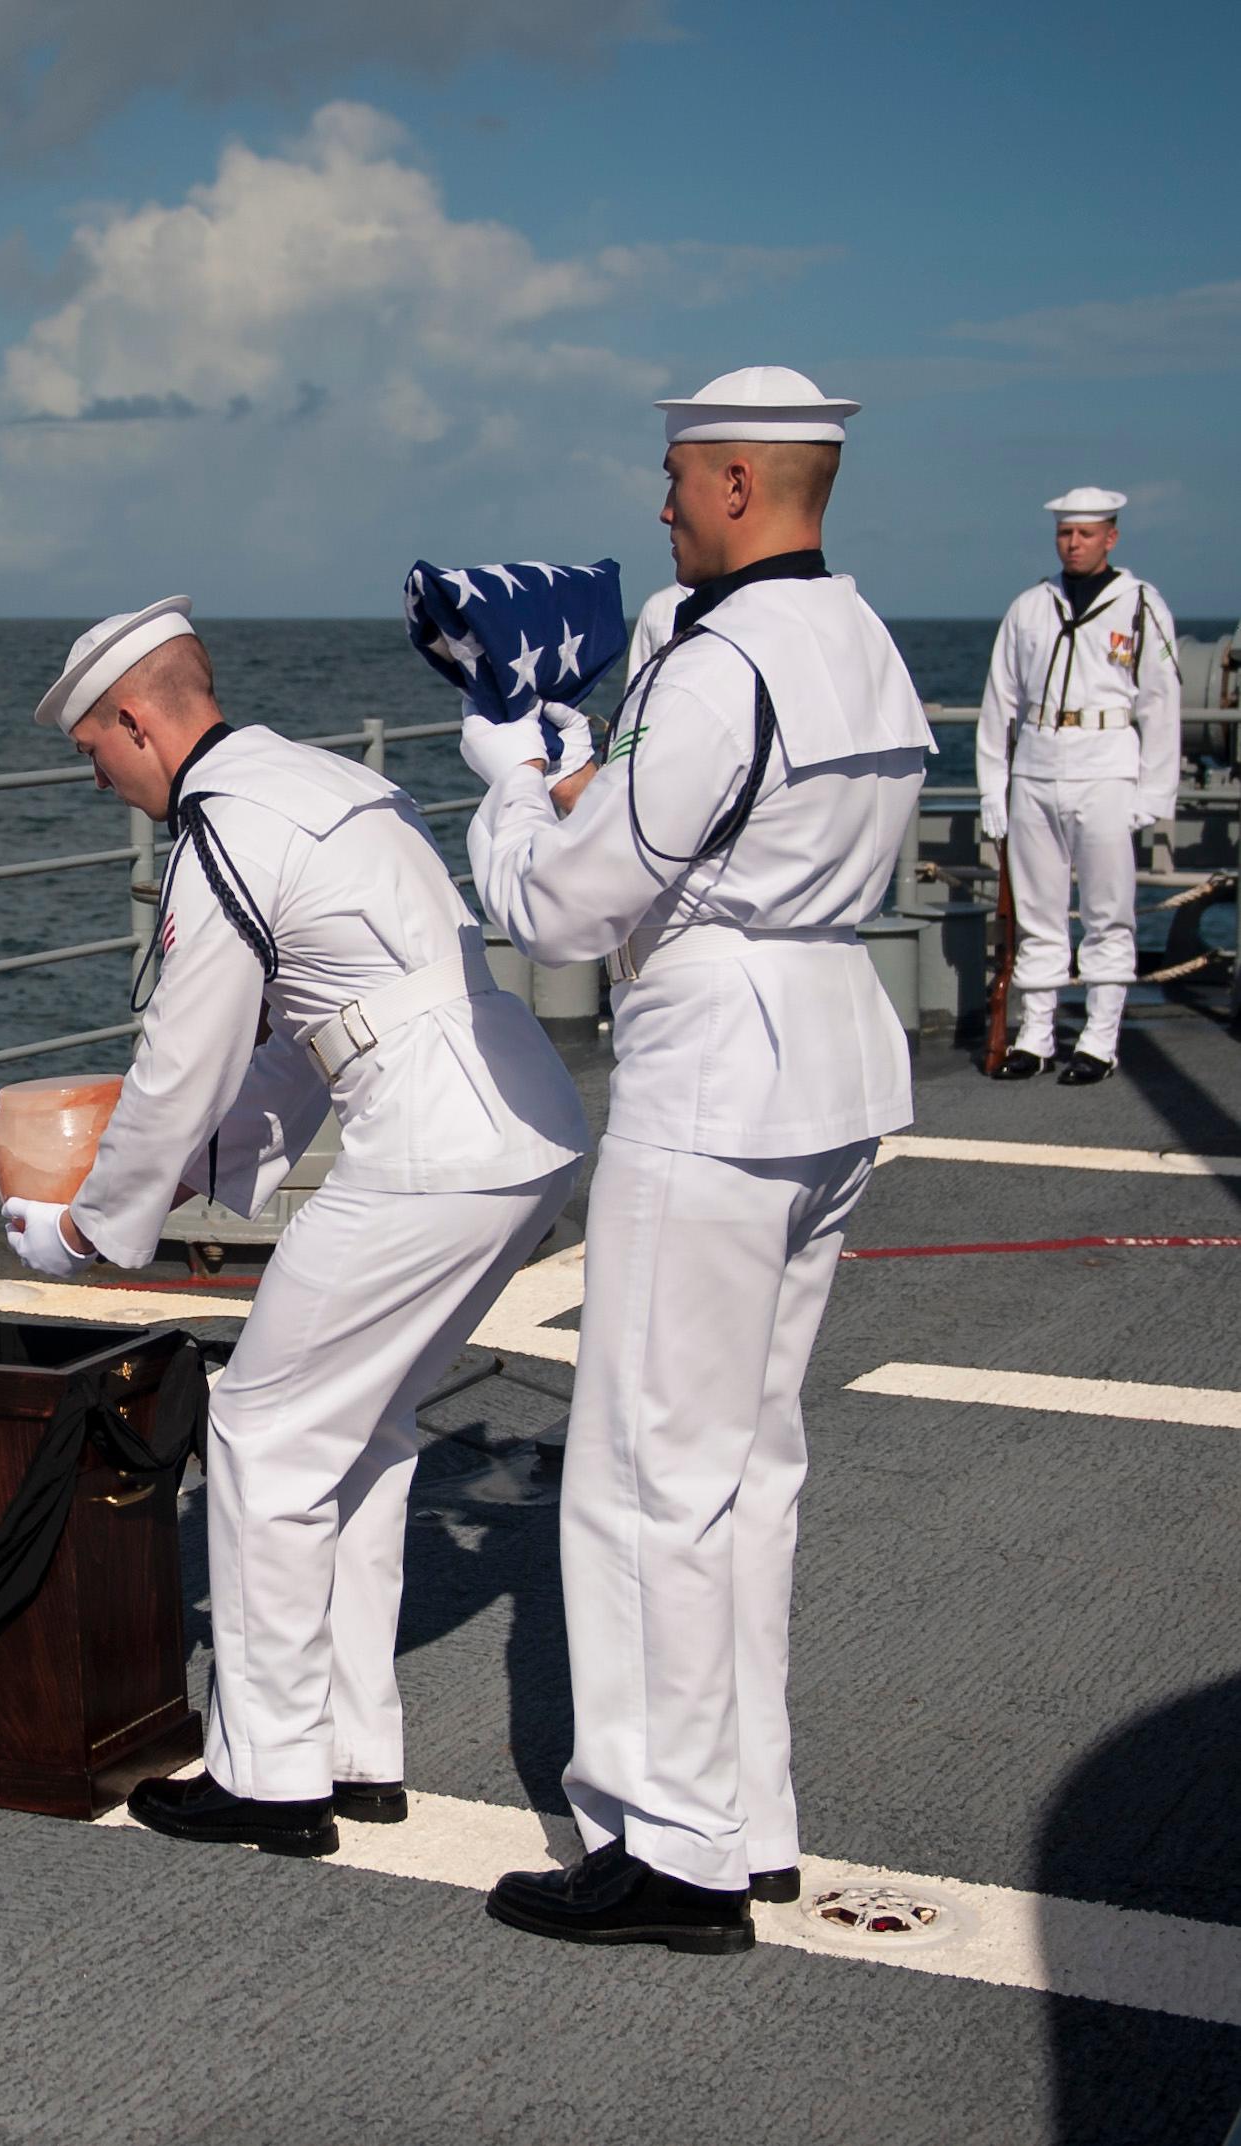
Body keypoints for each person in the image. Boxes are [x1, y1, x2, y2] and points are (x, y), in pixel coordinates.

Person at [468, 367, 933, 1952]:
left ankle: (666, 1850)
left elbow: (568, 904)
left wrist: (511, 780)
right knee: (751, 1462)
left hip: (715, 1071)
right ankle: (746, 1813)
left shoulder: (724, 659)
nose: (656, 505)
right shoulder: (858, 637)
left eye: (674, 478)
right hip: (830, 1050)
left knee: (644, 1472)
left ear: (737, 483)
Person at [4, 600, 587, 1854]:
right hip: (511, 1114)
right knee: (359, 1427)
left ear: (137, 719)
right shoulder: (328, 780)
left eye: (92, 749)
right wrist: (208, 1177)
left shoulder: (218, 828)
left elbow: (183, 1054)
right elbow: (317, 1028)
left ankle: (267, 1773)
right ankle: (349, 1745)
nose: (94, 774)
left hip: (430, 1143)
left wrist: (94, 1231)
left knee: (264, 1426)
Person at [977, 487, 1181, 1082]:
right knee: (1038, 914)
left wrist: (1153, 793)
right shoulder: (1030, 607)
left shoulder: (1140, 605)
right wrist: (993, 786)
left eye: (1086, 533)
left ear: (1110, 538)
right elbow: (1001, 702)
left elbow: (1162, 704)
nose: (1074, 543)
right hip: (1036, 768)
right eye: (1066, 533)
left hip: (1107, 767)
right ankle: (1035, 1035)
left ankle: (1098, 1038)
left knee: (1106, 911)